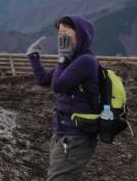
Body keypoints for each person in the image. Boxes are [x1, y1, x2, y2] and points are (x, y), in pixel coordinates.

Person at [26, 15, 100, 181]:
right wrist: (34, 57)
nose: (61, 37)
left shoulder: (86, 61)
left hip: (76, 136)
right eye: (60, 33)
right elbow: (44, 80)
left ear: (80, 35)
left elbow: (58, 86)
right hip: (61, 131)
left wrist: (62, 57)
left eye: (66, 32)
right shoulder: (70, 60)